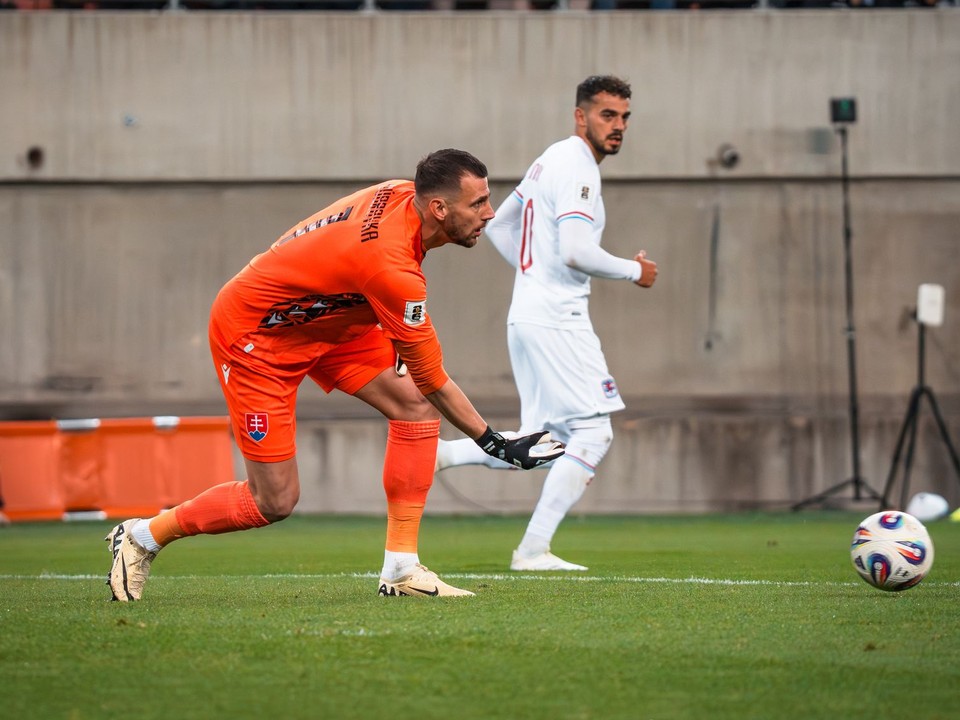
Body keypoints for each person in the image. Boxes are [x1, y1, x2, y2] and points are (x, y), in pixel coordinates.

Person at [105, 149, 564, 602]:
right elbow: (433, 376)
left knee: (413, 405)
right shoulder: (393, 265)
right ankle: (143, 536)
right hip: (257, 336)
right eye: (478, 203)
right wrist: (495, 443)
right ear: (439, 208)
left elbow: (346, 265)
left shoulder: (404, 197)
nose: (490, 212)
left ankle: (401, 568)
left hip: (329, 321)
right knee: (275, 502)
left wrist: (393, 333)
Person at [435, 76, 658, 572]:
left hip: (530, 312)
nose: (617, 126)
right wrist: (634, 271)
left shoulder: (549, 158)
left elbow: (499, 222)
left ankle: (446, 456)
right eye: (607, 115)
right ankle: (533, 550)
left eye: (624, 117)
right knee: (593, 434)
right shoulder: (577, 165)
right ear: (581, 116)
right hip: (557, 318)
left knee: (543, 439)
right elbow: (577, 251)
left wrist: (533, 270)